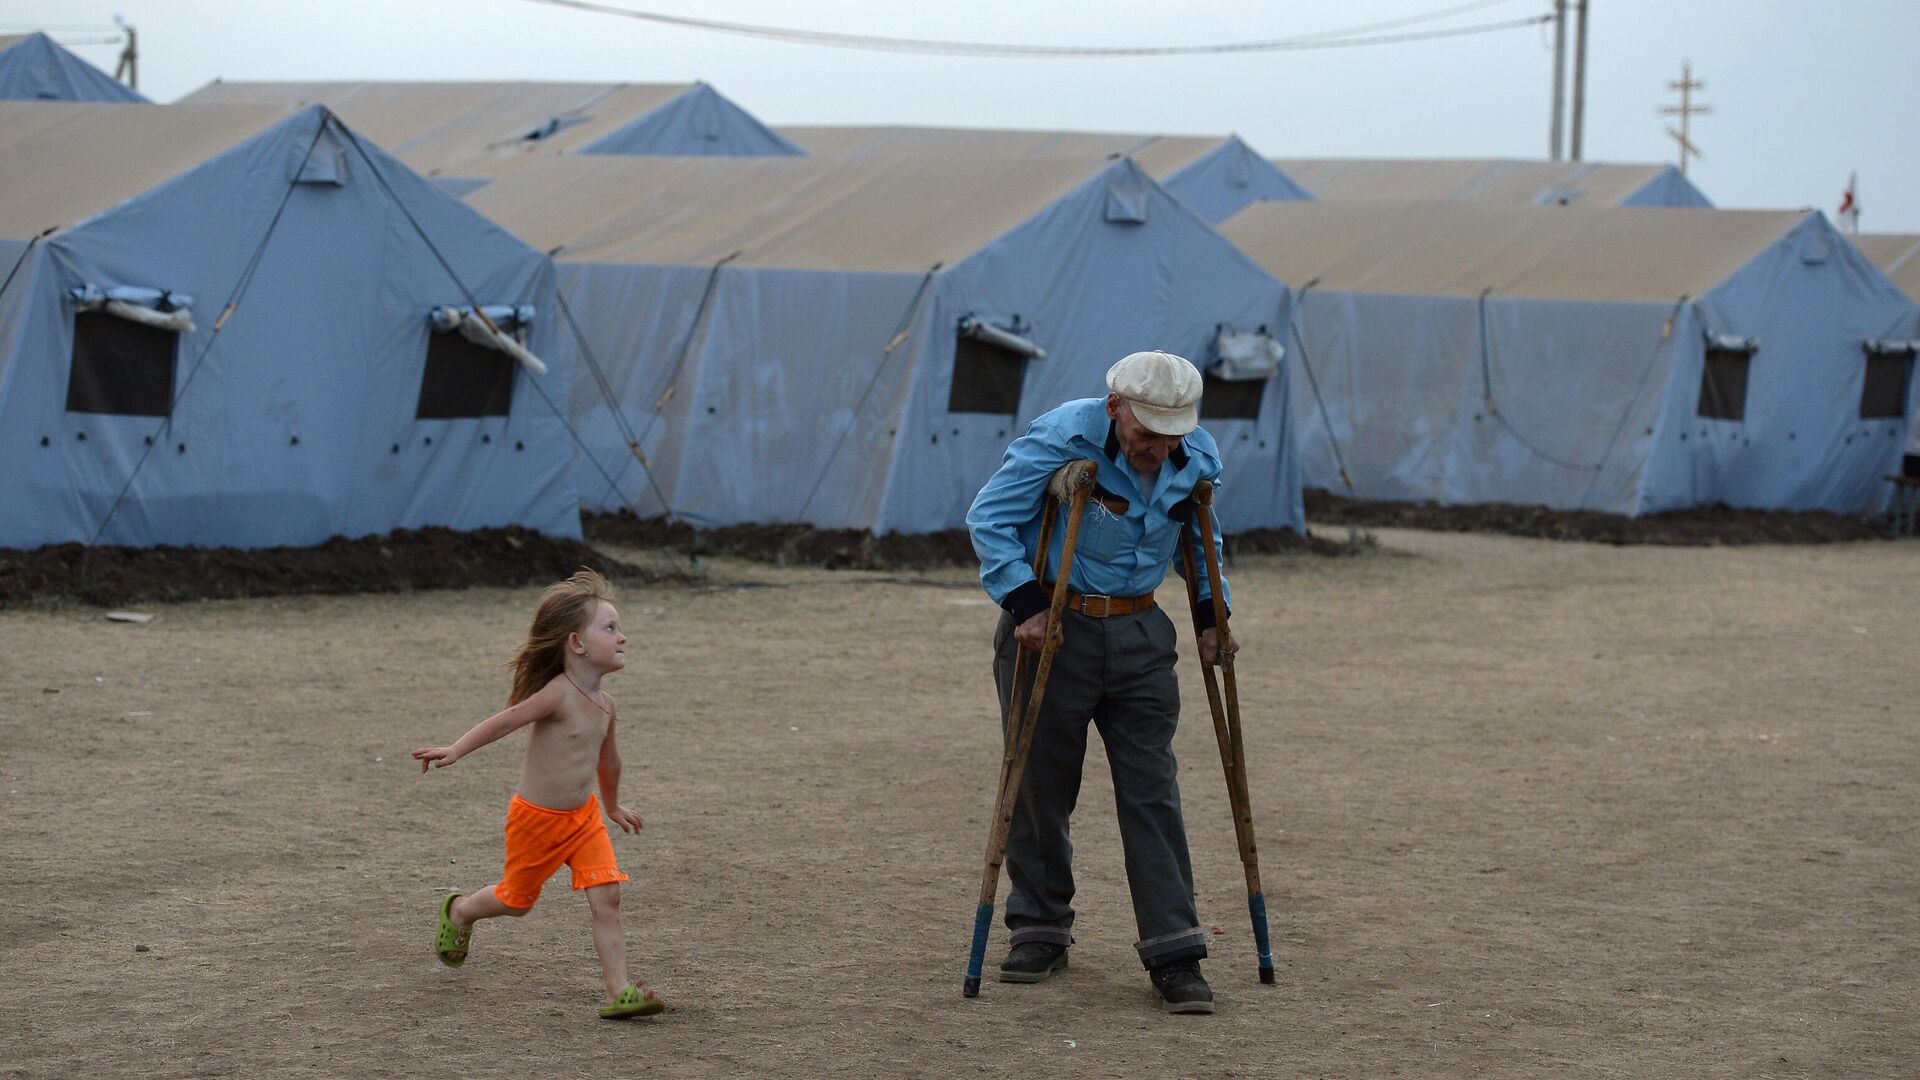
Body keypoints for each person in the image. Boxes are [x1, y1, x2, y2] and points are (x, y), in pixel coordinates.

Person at [965, 350, 1240, 1015]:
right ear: (1116, 408)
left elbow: (1202, 543)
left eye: (1169, 435)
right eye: (1146, 434)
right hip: (1054, 625)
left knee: (1152, 791)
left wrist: (1212, 616)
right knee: (1039, 782)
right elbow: (990, 518)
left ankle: (1175, 952)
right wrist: (1025, 605)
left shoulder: (1194, 455)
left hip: (1142, 634)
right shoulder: (1064, 433)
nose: (1156, 449)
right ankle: (1039, 929)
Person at [411, 568, 662, 1020]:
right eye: (611, 628)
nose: (623, 637)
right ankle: (462, 911)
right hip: (537, 821)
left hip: (583, 820)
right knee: (515, 902)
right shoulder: (557, 695)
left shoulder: (607, 704)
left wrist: (612, 805)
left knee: (608, 897)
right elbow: (505, 721)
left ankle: (618, 991)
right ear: (577, 643)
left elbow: (609, 761)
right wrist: (457, 749)